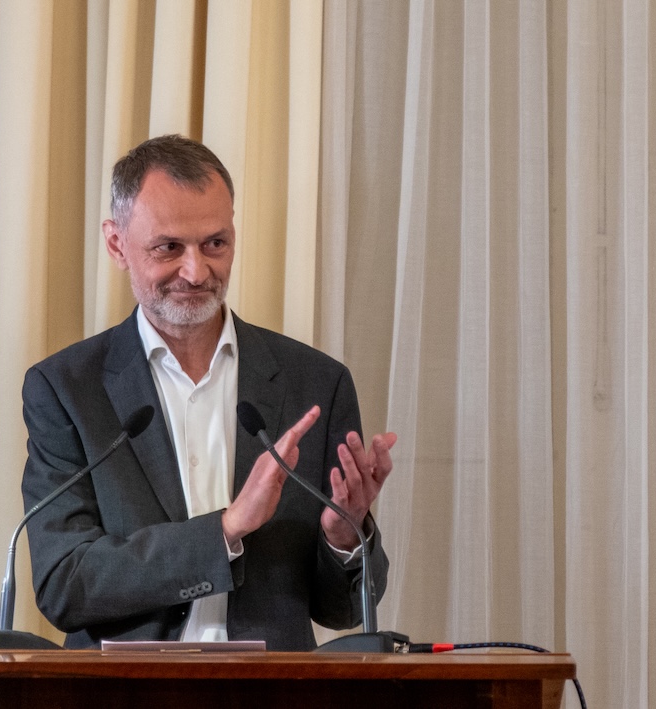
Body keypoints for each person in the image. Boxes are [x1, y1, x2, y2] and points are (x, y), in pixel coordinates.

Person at [21, 134, 397, 651]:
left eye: (214, 244)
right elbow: (65, 583)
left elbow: (341, 610)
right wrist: (226, 529)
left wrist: (343, 536)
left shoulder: (316, 383)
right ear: (116, 244)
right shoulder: (66, 388)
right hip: (124, 685)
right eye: (169, 247)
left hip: (272, 686)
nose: (196, 272)